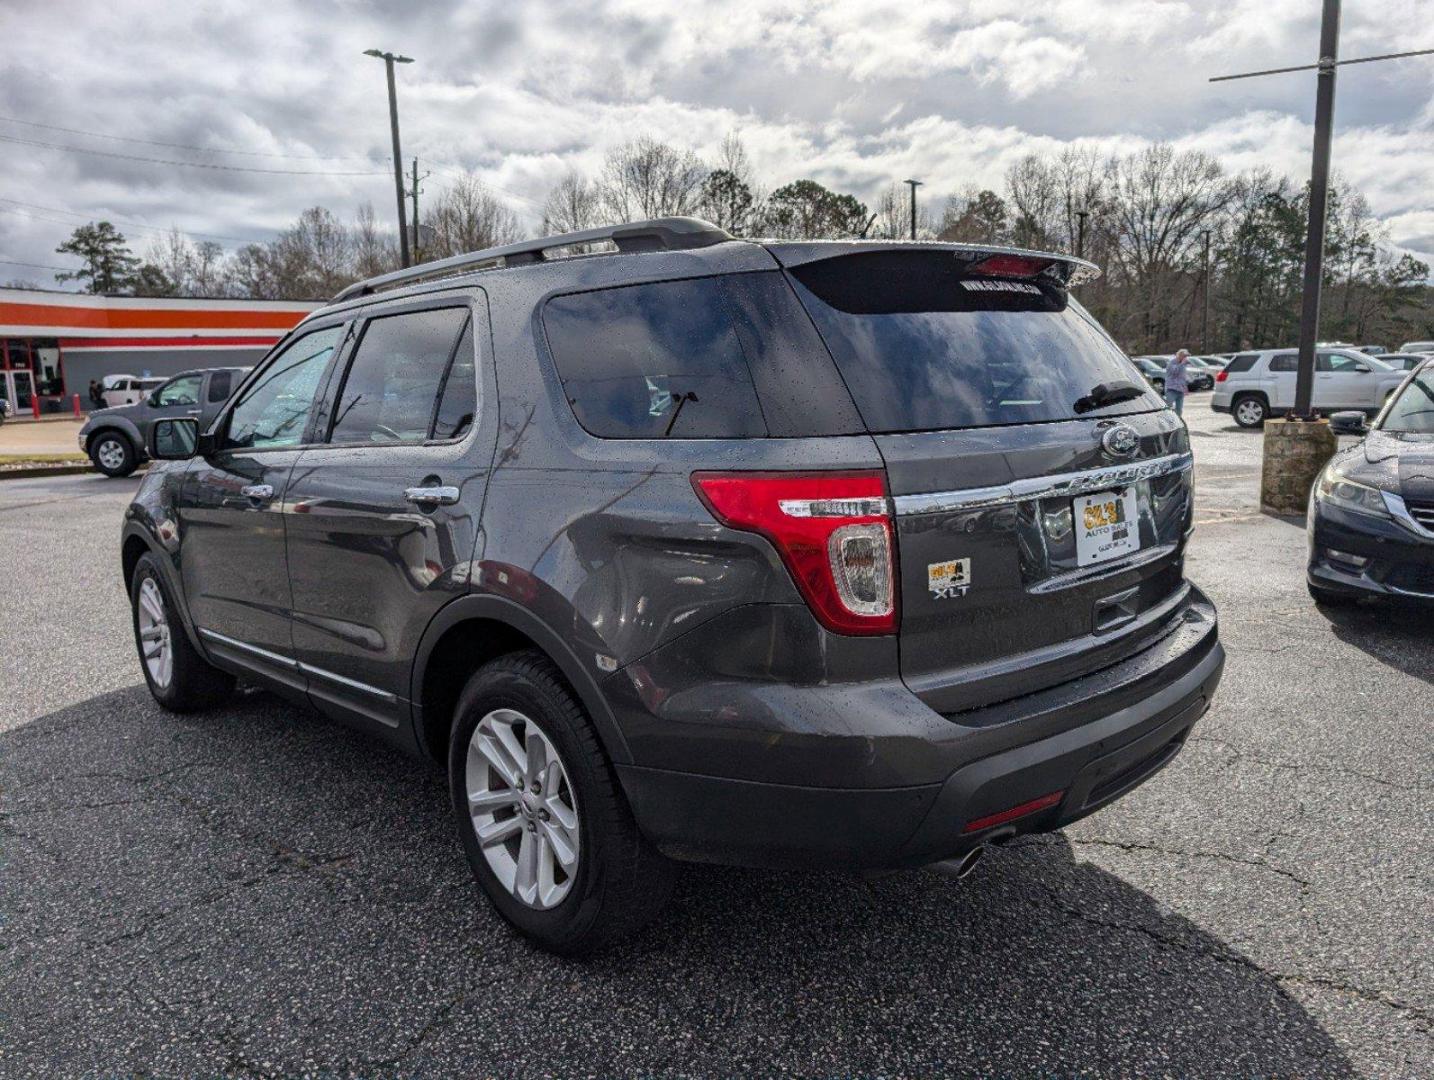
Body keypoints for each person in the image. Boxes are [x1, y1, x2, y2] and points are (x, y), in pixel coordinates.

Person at [1164, 349, 1191, 415]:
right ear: (1179, 355)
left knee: (1179, 409)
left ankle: (1177, 422)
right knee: (1168, 407)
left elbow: (1182, 377)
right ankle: (1164, 420)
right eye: (1184, 356)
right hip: (1171, 389)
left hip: (1180, 390)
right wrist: (1182, 364)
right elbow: (1174, 372)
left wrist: (1185, 387)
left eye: (1186, 356)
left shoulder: (1183, 364)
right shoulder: (1172, 363)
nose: (1185, 358)